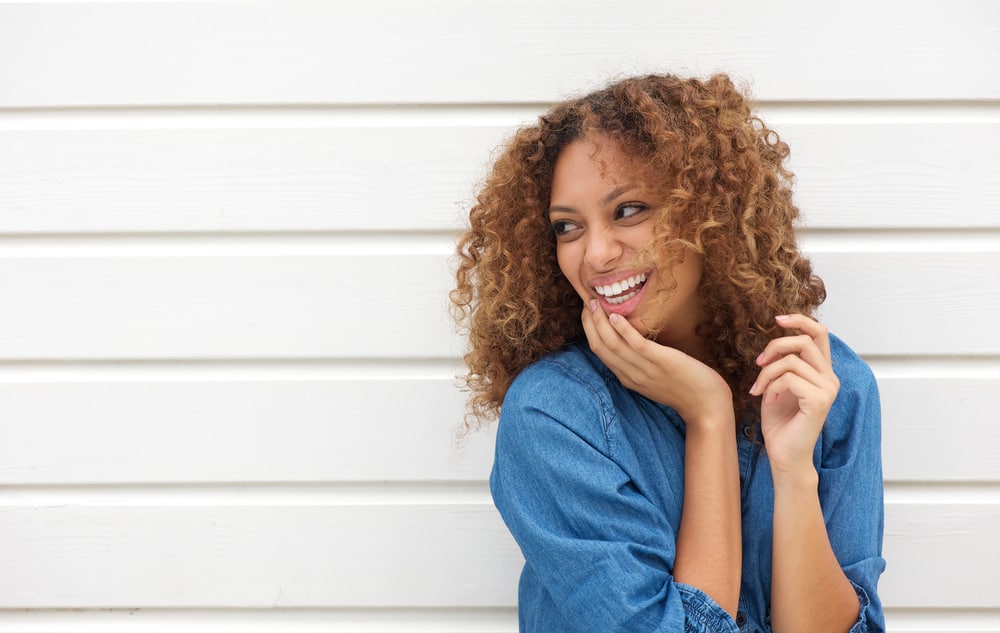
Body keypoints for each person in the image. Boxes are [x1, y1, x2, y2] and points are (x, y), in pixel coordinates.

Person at [450, 73, 885, 633]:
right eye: (567, 227)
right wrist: (708, 414)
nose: (597, 254)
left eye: (629, 210)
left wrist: (795, 470)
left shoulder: (826, 385)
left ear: (709, 213)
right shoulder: (554, 413)